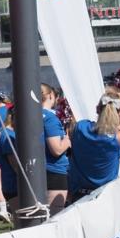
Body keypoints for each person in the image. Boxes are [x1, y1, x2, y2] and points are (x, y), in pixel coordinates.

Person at [67, 89, 120, 205]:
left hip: (78, 198)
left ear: (97, 109)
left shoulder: (80, 127)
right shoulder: (115, 139)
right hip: (105, 200)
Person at [41, 83, 71, 213]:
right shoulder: (50, 118)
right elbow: (57, 149)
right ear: (50, 95)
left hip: (36, 169)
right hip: (54, 171)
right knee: (54, 215)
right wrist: (68, 138)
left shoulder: (27, 116)